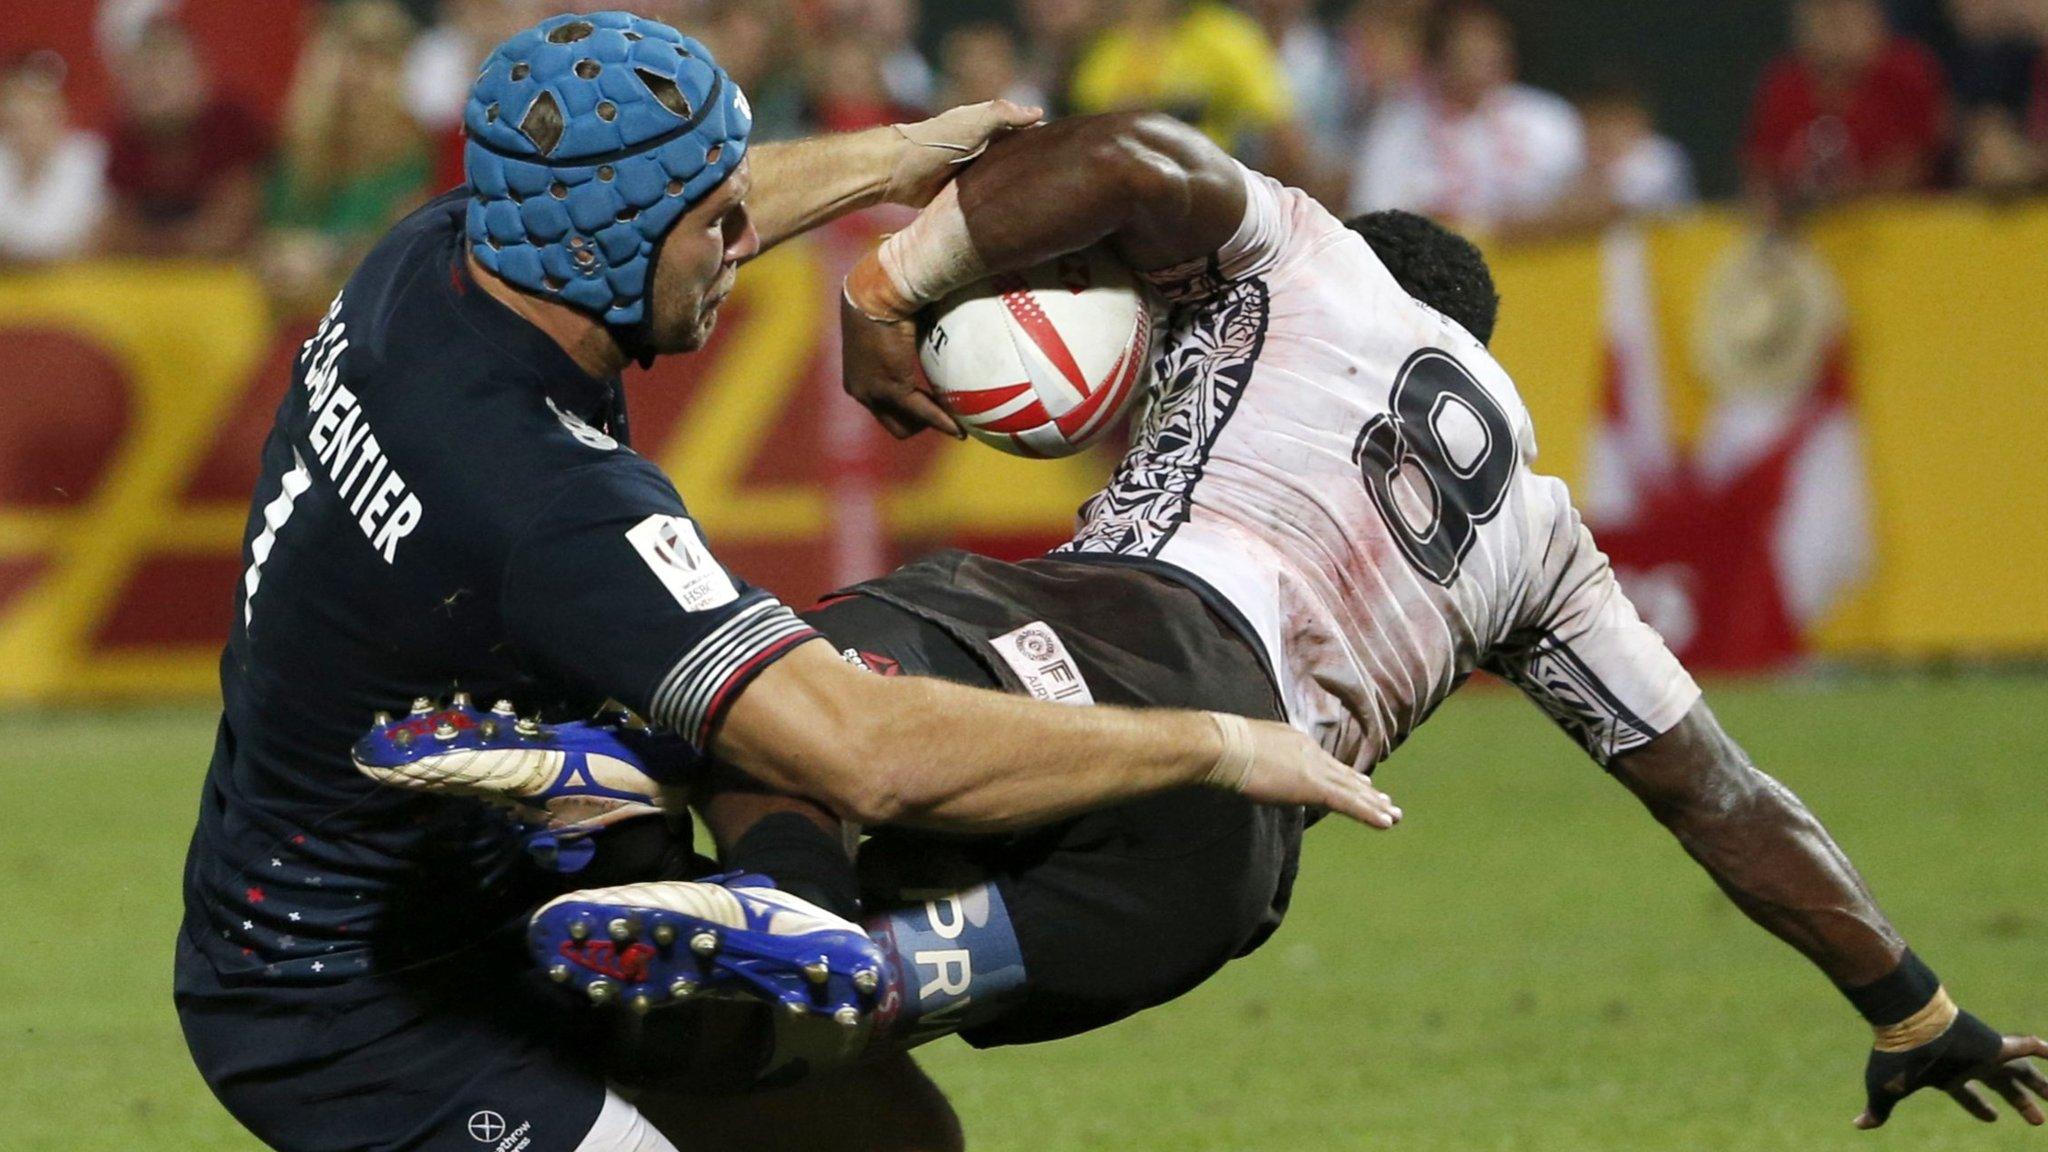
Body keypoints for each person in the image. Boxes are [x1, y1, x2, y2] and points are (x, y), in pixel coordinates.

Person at [434, 108, 2048, 1141]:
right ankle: (804, 937)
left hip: (1086, 631)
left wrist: (889, 292)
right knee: (799, 1043)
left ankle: (666, 819)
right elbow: (1723, 800)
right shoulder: (1548, 543)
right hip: (1216, 854)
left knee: (807, 715)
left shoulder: (1316, 265)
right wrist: (1911, 1004)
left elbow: (1129, 164)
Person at [172, 13, 1393, 1152]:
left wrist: (904, 154)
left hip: (479, 874)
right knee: (776, 725)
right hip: (350, 1005)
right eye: (719, 226)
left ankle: (634, 800)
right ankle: (634, 774)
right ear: (608, 243)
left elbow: (698, 202)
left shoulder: (441, 254)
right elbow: (862, 753)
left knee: (894, 1139)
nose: (748, 243)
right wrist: (1219, 745)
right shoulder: (546, 501)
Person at [1345, 0, 1585, 233]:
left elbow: (1588, 194)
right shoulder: (1400, 128)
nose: (1483, 57)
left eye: (1491, 44)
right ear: (1438, 57)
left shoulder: (1546, 117)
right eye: (1468, 48)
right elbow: (1372, 214)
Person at [263, 0, 435, 315]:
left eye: (373, 58)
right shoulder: (297, 142)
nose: (354, 72)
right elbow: (273, 229)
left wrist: (328, 258)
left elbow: (408, 248)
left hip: (373, 305)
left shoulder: (413, 146)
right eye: (344, 53)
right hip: (290, 301)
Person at [1744, 0, 1951, 213]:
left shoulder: (1906, 71)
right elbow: (1761, 168)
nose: (1836, 27)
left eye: (1847, 13)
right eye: (1824, 15)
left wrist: (1843, 197)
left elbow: (1919, 163)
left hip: (1902, 227)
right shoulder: (1784, 82)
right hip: (1803, 230)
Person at [98, 17, 272, 259]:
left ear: (199, 76)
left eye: (168, 66)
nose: (155, 81)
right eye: (145, 69)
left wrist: (154, 248)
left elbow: (230, 231)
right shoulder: (122, 138)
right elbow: (115, 235)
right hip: (154, 285)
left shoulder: (231, 125)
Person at [0, 50, 108, 266]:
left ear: (60, 106)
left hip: (77, 290)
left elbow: (101, 237)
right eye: (16, 99)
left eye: (37, 100)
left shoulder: (92, 158)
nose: (26, 110)